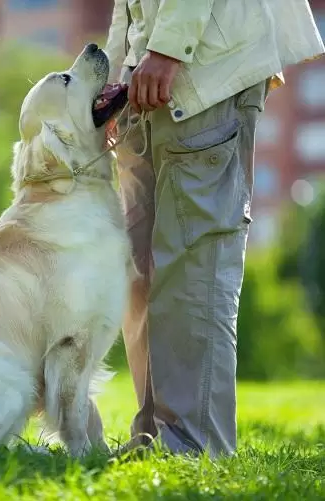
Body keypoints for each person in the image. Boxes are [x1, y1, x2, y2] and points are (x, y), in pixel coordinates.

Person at [104, 0, 324, 458]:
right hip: (142, 75)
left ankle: (195, 446)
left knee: (194, 266)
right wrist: (114, 72)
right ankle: (152, 439)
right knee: (139, 270)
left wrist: (167, 49)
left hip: (204, 66)